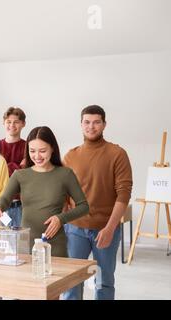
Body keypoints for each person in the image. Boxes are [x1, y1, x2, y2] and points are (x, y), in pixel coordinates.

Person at [62, 105, 132, 300]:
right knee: (71, 282)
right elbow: (63, 195)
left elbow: (123, 195)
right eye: (87, 122)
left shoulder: (117, 154)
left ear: (104, 125)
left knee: (104, 282)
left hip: (106, 229)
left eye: (96, 122)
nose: (91, 126)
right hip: (75, 229)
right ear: (81, 124)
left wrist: (110, 229)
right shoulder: (70, 156)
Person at [0, 126, 89, 257]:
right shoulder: (20, 175)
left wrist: (61, 219)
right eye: (32, 151)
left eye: (42, 151)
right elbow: (4, 199)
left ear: (52, 148)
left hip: (54, 245)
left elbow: (84, 206)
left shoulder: (65, 174)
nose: (37, 156)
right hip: (25, 245)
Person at [0, 107, 27, 228]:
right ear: (4, 123)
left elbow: (23, 175)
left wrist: (4, 167)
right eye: (9, 122)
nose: (12, 125)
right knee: (0, 244)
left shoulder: (28, 147)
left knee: (20, 243)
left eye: (16, 122)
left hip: (20, 205)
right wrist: (16, 166)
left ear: (23, 124)